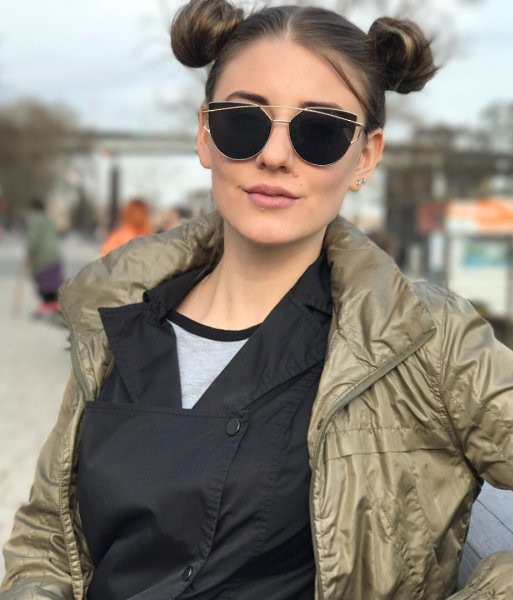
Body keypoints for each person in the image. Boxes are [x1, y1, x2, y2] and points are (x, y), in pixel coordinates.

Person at [1, 1, 512, 598]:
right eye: (243, 122)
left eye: (319, 132)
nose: (274, 155)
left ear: (366, 157)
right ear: (204, 135)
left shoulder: (428, 339)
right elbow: (47, 538)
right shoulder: (115, 319)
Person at [24, 197, 64, 317]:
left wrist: (30, 253)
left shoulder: (34, 219)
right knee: (53, 280)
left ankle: (47, 303)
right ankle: (54, 303)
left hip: (42, 255)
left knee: (43, 279)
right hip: (55, 254)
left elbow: (33, 239)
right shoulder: (49, 219)